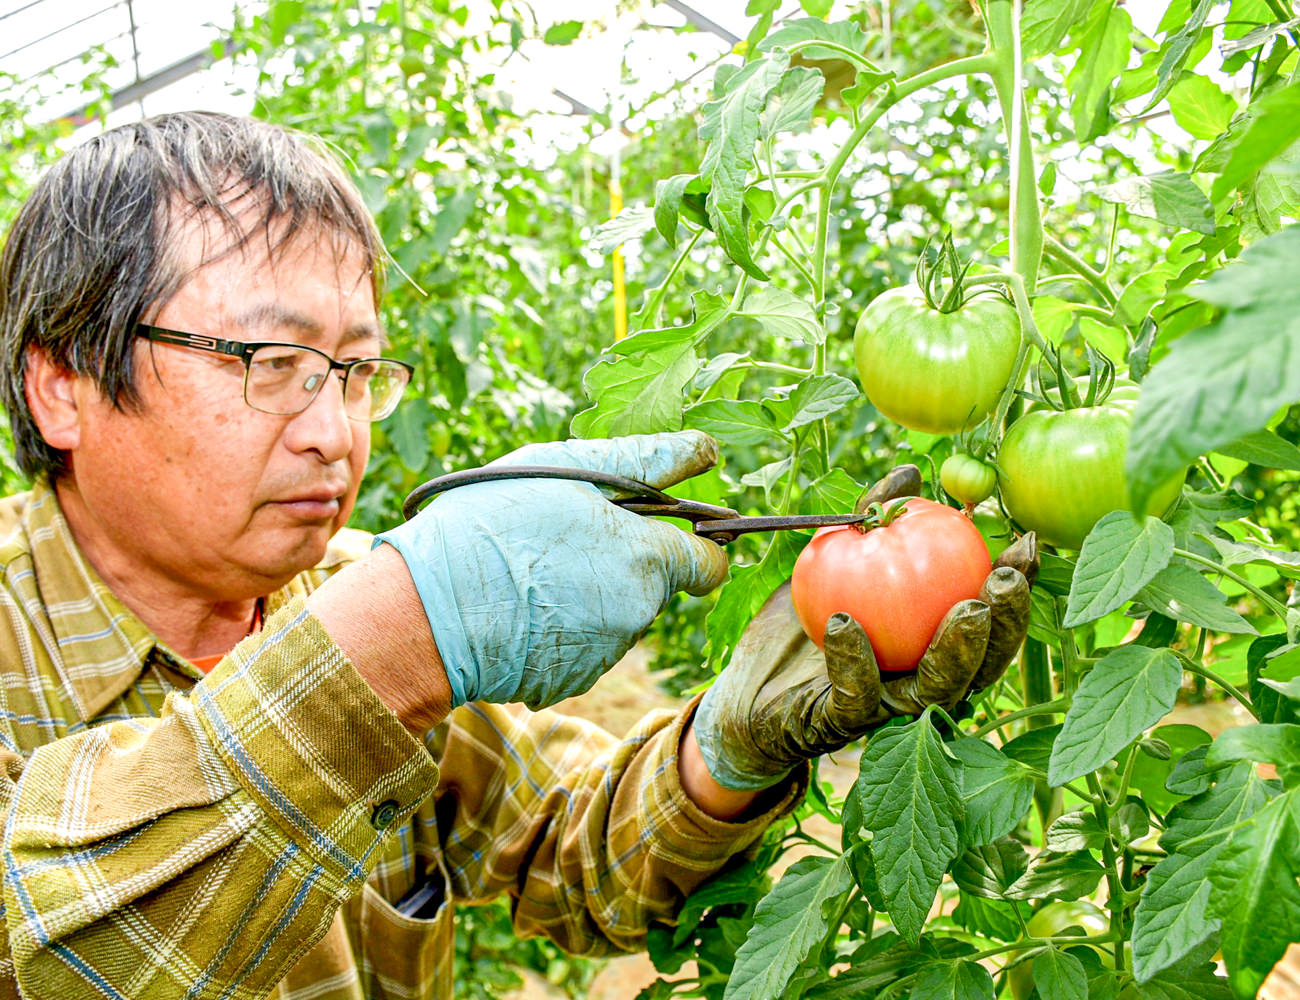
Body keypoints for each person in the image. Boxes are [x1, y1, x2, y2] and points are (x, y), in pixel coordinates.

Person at [0, 112, 1035, 1000]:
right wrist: (396, 636)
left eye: (356, 371)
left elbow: (563, 841)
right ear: (62, 384)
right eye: (273, 363)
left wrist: (724, 752)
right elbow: (56, 952)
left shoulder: (334, 585)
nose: (335, 433)